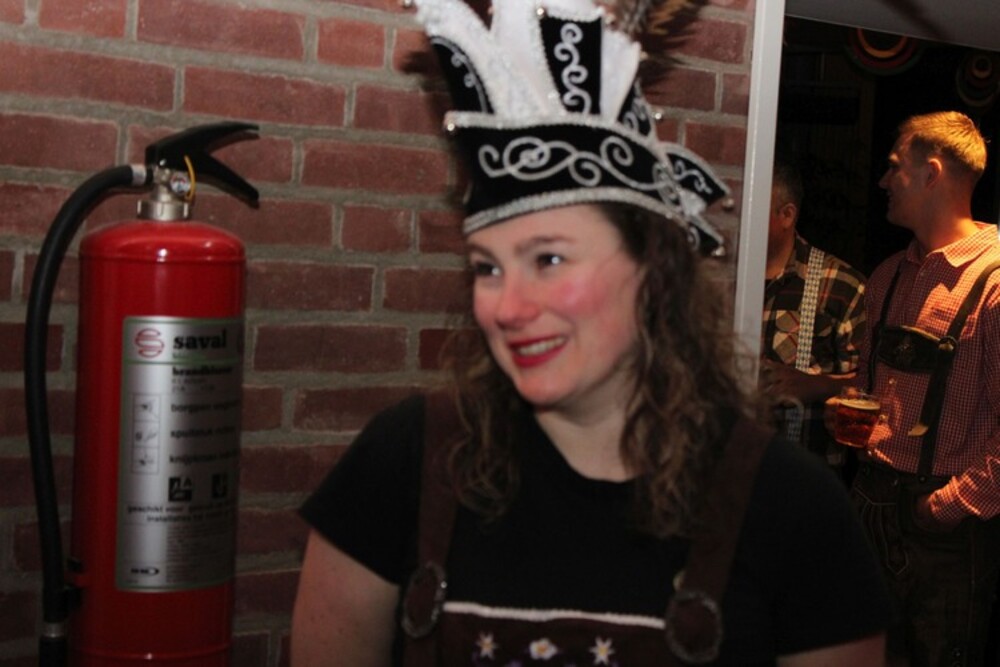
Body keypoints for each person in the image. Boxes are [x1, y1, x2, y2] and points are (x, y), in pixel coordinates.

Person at [291, 0, 889, 664]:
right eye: (487, 267)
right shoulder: (404, 462)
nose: (507, 307)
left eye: (549, 259)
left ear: (653, 271)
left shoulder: (793, 510)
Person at [848, 110, 1000, 666]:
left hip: (944, 531)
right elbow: (870, 387)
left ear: (931, 173)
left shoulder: (994, 282)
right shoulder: (888, 275)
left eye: (895, 167)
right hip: (870, 503)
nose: (883, 181)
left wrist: (949, 505)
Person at [760, 154, 867, 475]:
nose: (740, 216)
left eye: (753, 207)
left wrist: (815, 385)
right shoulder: (722, 276)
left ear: (787, 215)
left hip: (808, 478)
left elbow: (872, 385)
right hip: (729, 474)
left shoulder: (841, 285)